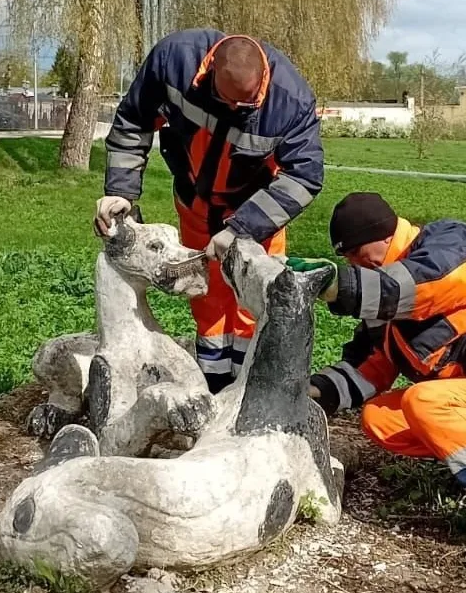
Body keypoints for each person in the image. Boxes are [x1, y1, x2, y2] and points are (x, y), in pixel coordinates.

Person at [287, 192, 466, 562]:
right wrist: (309, 393)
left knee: (423, 401)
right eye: (347, 258)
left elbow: (412, 288)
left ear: (386, 236)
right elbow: (371, 367)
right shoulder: (384, 295)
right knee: (380, 418)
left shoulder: (451, 243)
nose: (355, 263)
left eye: (357, 253)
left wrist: (332, 284)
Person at [95, 28, 324, 393]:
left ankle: (251, 387)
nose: (234, 109)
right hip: (196, 204)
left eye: (245, 105)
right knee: (207, 300)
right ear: (210, 70)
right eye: (226, 99)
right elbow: (133, 122)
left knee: (256, 300)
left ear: (263, 82)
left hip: (257, 213)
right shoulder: (174, 60)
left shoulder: (290, 101)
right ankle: (214, 384)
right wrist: (122, 193)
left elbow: (304, 177)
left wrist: (242, 228)